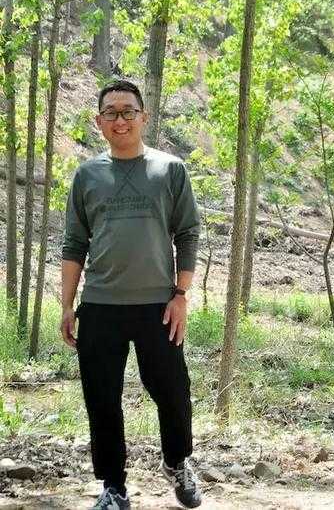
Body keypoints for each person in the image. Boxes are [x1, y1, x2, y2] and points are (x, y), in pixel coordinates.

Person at [60, 80, 202, 509]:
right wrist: (66, 305)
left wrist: (181, 294)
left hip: (159, 306)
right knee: (102, 398)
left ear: (144, 117)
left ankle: (177, 462)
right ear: (98, 121)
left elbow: (188, 233)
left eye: (128, 111)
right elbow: (74, 244)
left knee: (172, 391)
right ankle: (113, 486)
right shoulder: (87, 175)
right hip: (101, 305)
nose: (119, 120)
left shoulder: (170, 169)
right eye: (111, 112)